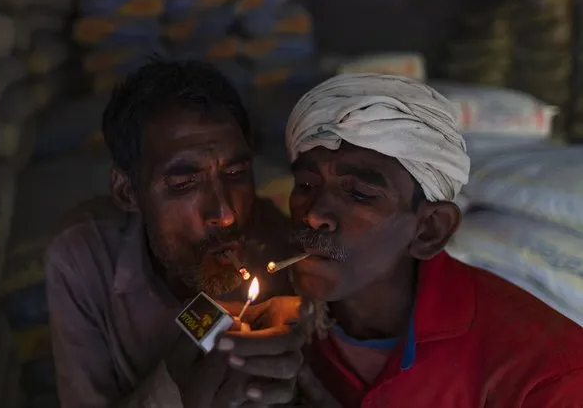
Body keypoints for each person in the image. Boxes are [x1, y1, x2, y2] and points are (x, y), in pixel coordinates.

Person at [280, 73, 583, 407]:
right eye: (306, 186)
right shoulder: (280, 321)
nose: (314, 214)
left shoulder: (546, 377)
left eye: (359, 193)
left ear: (430, 229)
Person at [44, 59, 301, 408]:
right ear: (127, 192)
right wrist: (173, 391)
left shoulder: (279, 245)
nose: (225, 214)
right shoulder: (84, 257)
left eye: (236, 172)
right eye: (183, 183)